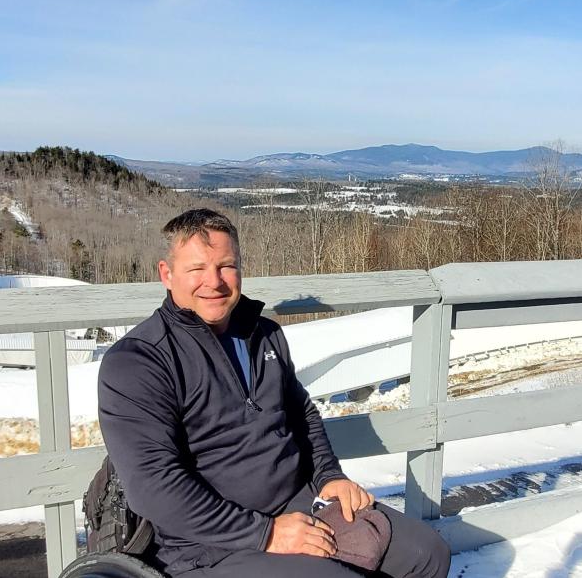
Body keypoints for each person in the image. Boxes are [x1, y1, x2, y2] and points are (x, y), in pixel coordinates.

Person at [98, 208, 451, 577]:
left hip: (299, 505)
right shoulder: (138, 362)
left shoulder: (263, 335)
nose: (214, 282)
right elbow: (155, 486)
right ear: (166, 275)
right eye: (197, 269)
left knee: (427, 553)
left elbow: (302, 415)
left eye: (226, 266)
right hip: (208, 545)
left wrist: (329, 477)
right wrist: (266, 534)